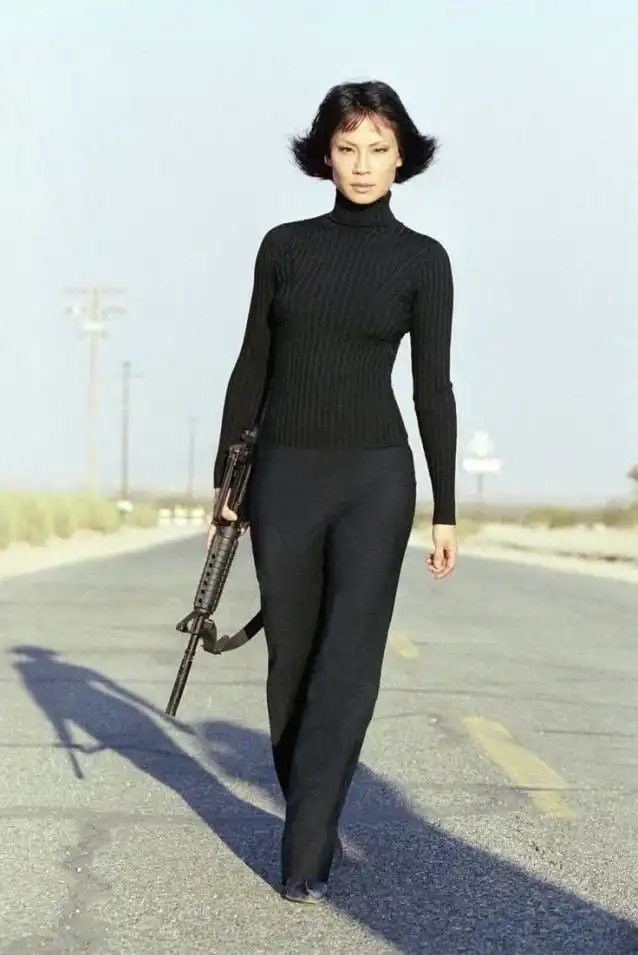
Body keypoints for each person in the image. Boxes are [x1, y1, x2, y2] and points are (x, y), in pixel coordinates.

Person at [209, 79, 458, 904]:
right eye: (347, 147)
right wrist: (227, 482)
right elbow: (253, 363)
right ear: (325, 154)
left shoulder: (423, 260)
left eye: (378, 148)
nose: (362, 163)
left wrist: (446, 508)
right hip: (284, 475)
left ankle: (306, 846)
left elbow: (433, 390)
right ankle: (311, 809)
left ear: (401, 158)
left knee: (348, 661)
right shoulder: (284, 247)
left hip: (375, 479)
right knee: (292, 659)